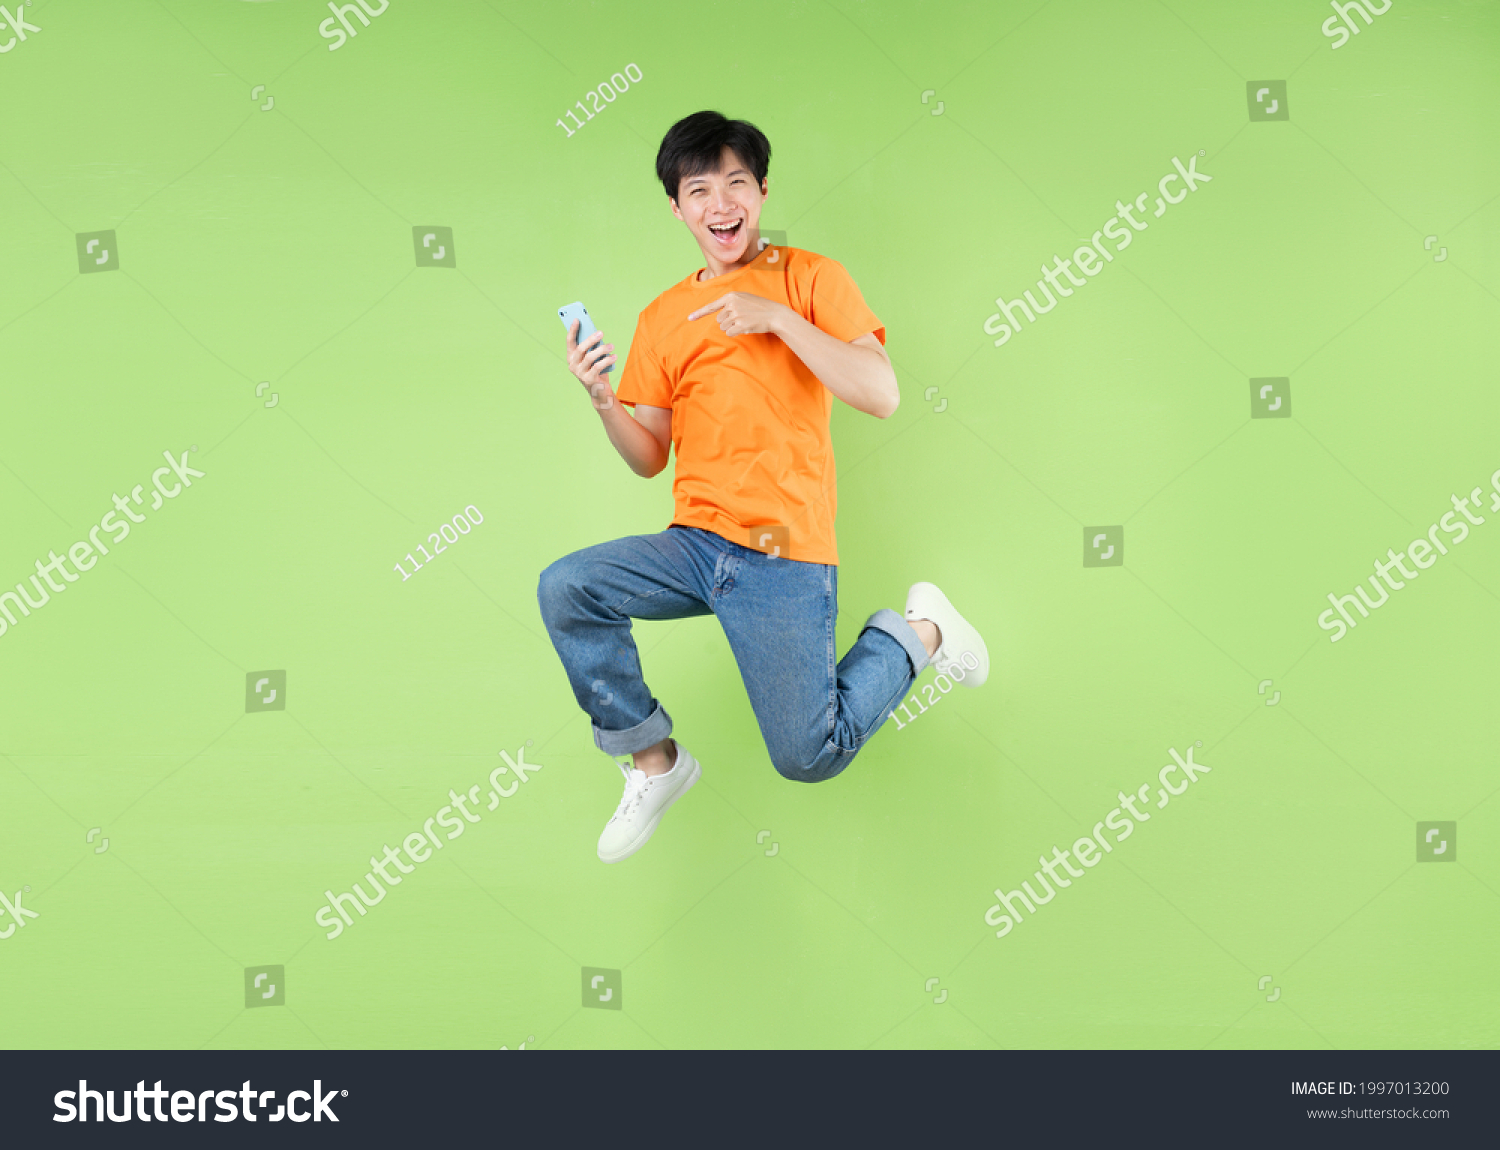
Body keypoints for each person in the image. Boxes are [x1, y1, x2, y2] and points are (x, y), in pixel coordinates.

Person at [539, 110, 988, 864]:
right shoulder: (662, 317)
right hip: (695, 547)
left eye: (737, 183)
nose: (721, 204)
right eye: (699, 190)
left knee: (809, 756)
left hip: (783, 551)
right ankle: (655, 761)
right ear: (677, 208)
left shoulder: (811, 278)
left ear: (762, 191)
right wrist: (604, 401)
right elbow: (649, 457)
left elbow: (881, 393)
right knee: (568, 588)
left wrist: (777, 318)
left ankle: (923, 631)